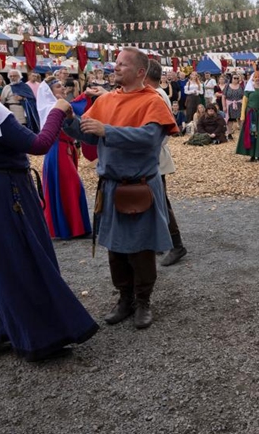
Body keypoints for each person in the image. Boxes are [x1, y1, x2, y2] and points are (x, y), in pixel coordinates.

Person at [0, 50, 98, 361]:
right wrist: (58, 110)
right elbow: (39, 145)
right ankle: (38, 337)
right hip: (2, 188)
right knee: (18, 259)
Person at [62, 48, 177, 330]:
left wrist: (108, 131)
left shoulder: (153, 101)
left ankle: (143, 301)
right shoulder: (106, 100)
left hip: (139, 186)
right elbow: (87, 132)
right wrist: (67, 120)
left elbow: (150, 138)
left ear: (140, 72)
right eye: (116, 64)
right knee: (115, 249)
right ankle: (125, 299)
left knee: (141, 248)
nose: (115, 68)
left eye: (122, 65)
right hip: (111, 186)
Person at [145, 61, 187, 267]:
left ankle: (177, 245)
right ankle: (159, 240)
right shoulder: (155, 94)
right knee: (154, 199)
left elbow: (161, 131)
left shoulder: (157, 96)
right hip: (153, 155)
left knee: (161, 200)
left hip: (155, 156)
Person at [39, 78, 92, 240]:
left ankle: (76, 227)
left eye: (62, 85)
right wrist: (84, 95)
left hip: (67, 148)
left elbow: (73, 106)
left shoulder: (60, 104)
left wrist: (85, 94)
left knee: (70, 186)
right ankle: (70, 228)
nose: (62, 88)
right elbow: (71, 109)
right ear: (50, 92)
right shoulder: (51, 108)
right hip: (58, 150)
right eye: (57, 86)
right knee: (70, 185)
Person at [236, 71, 259, 161]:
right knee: (251, 133)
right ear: (253, 79)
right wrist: (242, 116)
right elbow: (244, 103)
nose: (257, 79)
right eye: (255, 78)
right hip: (251, 114)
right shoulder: (248, 89)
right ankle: (252, 155)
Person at [222, 73, 244, 140]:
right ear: (231, 78)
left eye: (237, 78)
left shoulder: (241, 86)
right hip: (230, 105)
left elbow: (244, 96)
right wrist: (224, 106)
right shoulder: (227, 86)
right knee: (230, 120)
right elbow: (223, 96)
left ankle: (242, 134)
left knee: (240, 119)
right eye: (234, 78)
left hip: (239, 105)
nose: (236, 79)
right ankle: (229, 133)